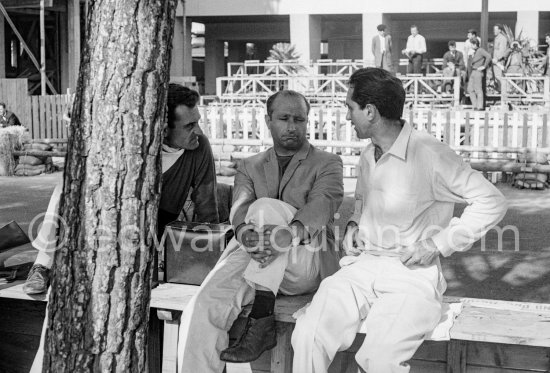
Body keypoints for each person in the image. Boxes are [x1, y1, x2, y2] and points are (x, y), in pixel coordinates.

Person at [291, 68, 507, 373]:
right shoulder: (369, 154)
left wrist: (437, 243)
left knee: (379, 359)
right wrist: (354, 223)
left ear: (370, 111)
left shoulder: (431, 153)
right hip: (361, 268)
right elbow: (364, 198)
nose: (346, 116)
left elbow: (492, 200)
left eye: (349, 108)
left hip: (411, 277)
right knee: (307, 335)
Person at [176, 90, 343, 373]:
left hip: (303, 262)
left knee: (266, 206)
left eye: (299, 119)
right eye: (284, 118)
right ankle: (258, 319)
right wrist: (243, 234)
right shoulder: (250, 165)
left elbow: (322, 205)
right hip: (255, 255)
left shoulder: (327, 163)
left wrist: (284, 235)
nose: (292, 126)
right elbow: (240, 210)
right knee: (202, 307)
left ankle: (262, 313)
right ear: (268, 120)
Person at [23, 83, 220, 295]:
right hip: (112, 227)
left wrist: (213, 257)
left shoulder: (200, 148)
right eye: (190, 126)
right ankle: (43, 264)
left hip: (157, 233)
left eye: (197, 122)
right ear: (163, 128)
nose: (199, 131)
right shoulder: (131, 147)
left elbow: (206, 205)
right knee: (67, 182)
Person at [467, 38, 492, 110]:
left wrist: (484, 66)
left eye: (472, 44)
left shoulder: (480, 50)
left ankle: (480, 106)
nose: (471, 46)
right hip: (473, 71)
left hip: (478, 71)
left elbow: (489, 56)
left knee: (478, 89)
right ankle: (475, 105)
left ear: (475, 44)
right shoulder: (473, 52)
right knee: (470, 89)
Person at [492, 24, 509, 92]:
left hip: (498, 61)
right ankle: (500, 91)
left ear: (500, 30)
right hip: (495, 60)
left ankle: (504, 92)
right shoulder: (496, 38)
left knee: (499, 77)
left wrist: (497, 59)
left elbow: (502, 51)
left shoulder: (502, 38)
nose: (494, 31)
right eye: (494, 29)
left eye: (495, 29)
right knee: (496, 77)